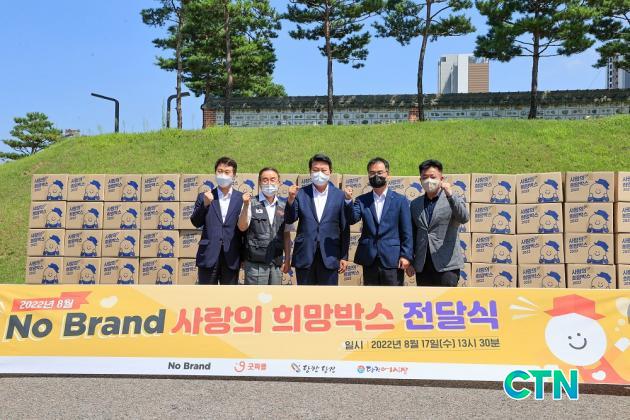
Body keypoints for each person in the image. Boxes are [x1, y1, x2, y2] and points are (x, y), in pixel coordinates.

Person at [285, 153, 351, 285]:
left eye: (323, 170)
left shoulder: (339, 195)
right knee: (305, 295)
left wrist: (344, 256)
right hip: (305, 254)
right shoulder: (301, 193)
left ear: (330, 172)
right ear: (310, 172)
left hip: (330, 255)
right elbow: (290, 219)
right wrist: (291, 200)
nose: (319, 173)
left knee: (327, 296)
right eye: (315, 170)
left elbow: (344, 227)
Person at [347, 157, 413, 286]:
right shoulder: (362, 200)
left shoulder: (400, 200)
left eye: (380, 172)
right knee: (371, 296)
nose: (376, 176)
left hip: (392, 258)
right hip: (369, 257)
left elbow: (407, 231)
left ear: (388, 174)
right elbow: (352, 219)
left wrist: (406, 255)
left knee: (392, 295)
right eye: (372, 173)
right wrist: (348, 201)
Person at [407, 159, 469, 287]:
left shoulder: (452, 199)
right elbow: (412, 234)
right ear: (420, 180)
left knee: (447, 299)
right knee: (425, 299)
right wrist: (411, 261)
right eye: (425, 177)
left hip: (447, 264)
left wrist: (450, 195)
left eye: (432, 177)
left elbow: (464, 218)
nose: (428, 181)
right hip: (423, 265)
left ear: (441, 178)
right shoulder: (415, 204)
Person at [190, 156, 244, 285]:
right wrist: (205, 204)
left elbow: (245, 229)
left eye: (227, 172)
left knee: (229, 295)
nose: (223, 175)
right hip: (208, 254)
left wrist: (244, 256)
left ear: (234, 175)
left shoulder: (241, 198)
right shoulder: (204, 196)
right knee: (207, 294)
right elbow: (196, 222)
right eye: (220, 171)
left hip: (231, 255)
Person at [237, 167, 293, 285]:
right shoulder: (250, 203)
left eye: (272, 180)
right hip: (255, 264)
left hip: (276, 264)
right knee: (255, 296)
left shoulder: (284, 206)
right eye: (265, 180)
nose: (269, 183)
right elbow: (242, 227)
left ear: (278, 182)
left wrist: (287, 259)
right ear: (259, 182)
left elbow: (286, 235)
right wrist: (246, 206)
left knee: (275, 296)